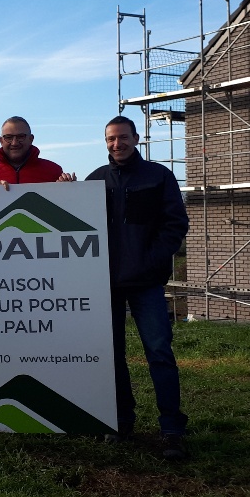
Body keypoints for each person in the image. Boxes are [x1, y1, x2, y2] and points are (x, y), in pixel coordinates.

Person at [69, 115, 190, 459]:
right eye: (110, 139)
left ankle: (171, 430)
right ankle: (121, 422)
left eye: (122, 138)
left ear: (136, 138)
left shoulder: (158, 176)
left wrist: (151, 260)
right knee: (111, 357)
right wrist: (67, 187)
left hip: (147, 283)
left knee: (159, 354)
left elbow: (176, 223)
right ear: (105, 142)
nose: (116, 144)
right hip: (105, 285)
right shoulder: (95, 180)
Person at [0, 116, 64, 186]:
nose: (14, 143)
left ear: (31, 139)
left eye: (20, 137)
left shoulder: (53, 171)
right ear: (1, 141)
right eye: (8, 137)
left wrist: (70, 188)